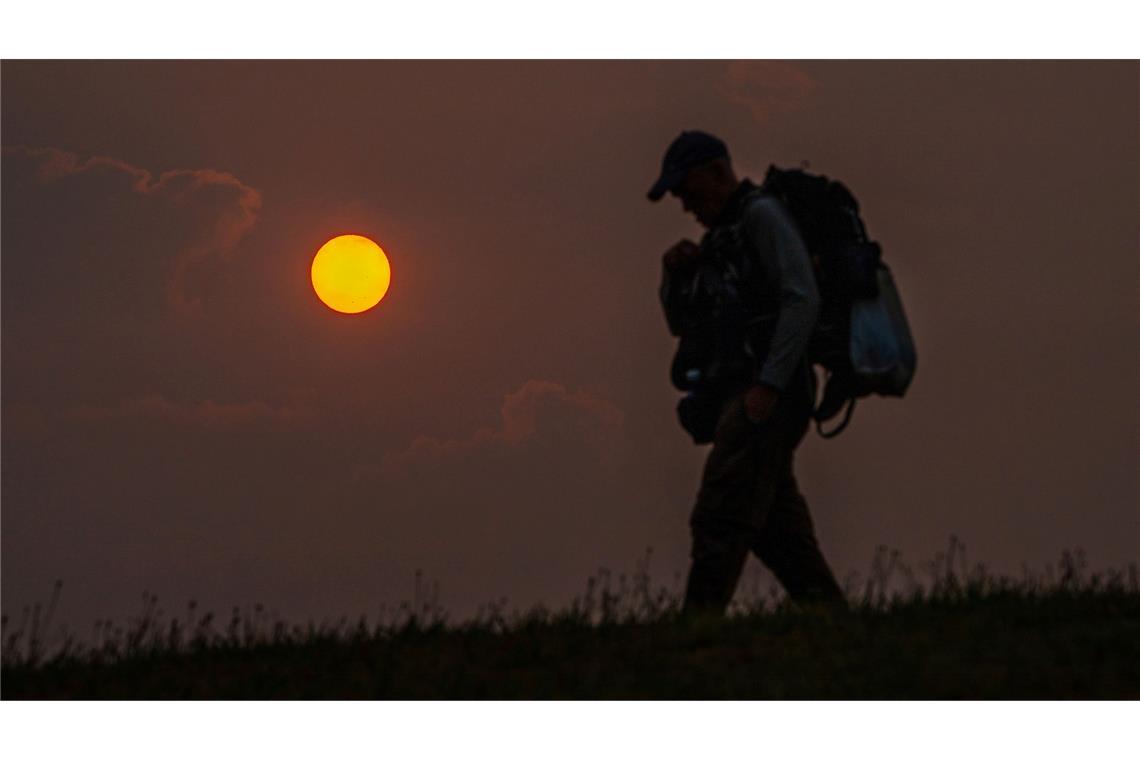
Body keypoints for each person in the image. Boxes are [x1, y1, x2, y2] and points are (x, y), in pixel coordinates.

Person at [648, 130, 846, 615]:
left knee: (721, 510)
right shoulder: (720, 239)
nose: (686, 204)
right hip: (747, 390)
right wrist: (674, 275)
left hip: (768, 393)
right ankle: (833, 621)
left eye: (689, 190)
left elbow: (802, 298)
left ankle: (696, 628)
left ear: (718, 172)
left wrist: (769, 385)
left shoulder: (761, 216)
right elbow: (682, 324)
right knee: (781, 532)